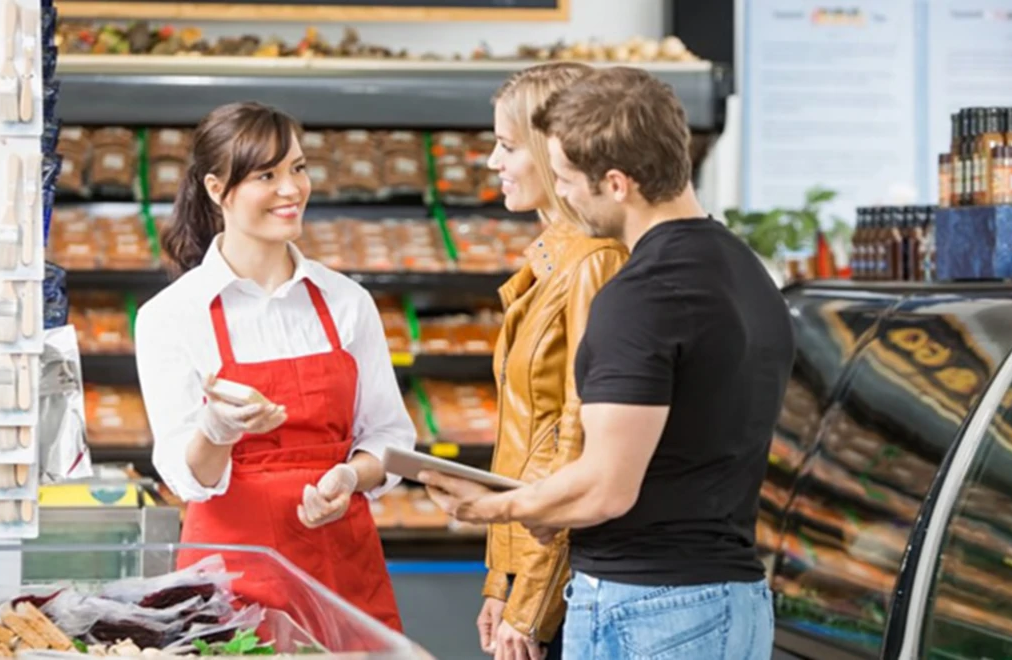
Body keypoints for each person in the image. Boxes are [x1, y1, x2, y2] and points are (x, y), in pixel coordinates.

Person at [418, 66, 795, 659]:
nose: (563, 195)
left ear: (616, 184)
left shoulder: (641, 293)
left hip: (651, 609)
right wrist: (543, 519)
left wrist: (492, 506)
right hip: (733, 599)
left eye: (568, 180)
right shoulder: (744, 269)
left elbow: (606, 488)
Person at [134, 101, 414, 632]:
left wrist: (350, 475)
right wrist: (216, 430)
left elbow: (390, 436)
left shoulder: (346, 301)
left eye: (298, 168)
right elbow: (187, 478)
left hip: (341, 565)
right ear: (217, 189)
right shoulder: (171, 316)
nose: (291, 190)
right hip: (232, 577)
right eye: (267, 175)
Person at [479, 62, 628, 660]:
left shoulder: (594, 262)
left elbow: (578, 442)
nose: (493, 161)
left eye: (508, 145)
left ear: (552, 150)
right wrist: (500, 580)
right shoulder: (550, 258)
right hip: (528, 560)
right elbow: (522, 436)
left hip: (560, 577)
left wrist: (530, 604)